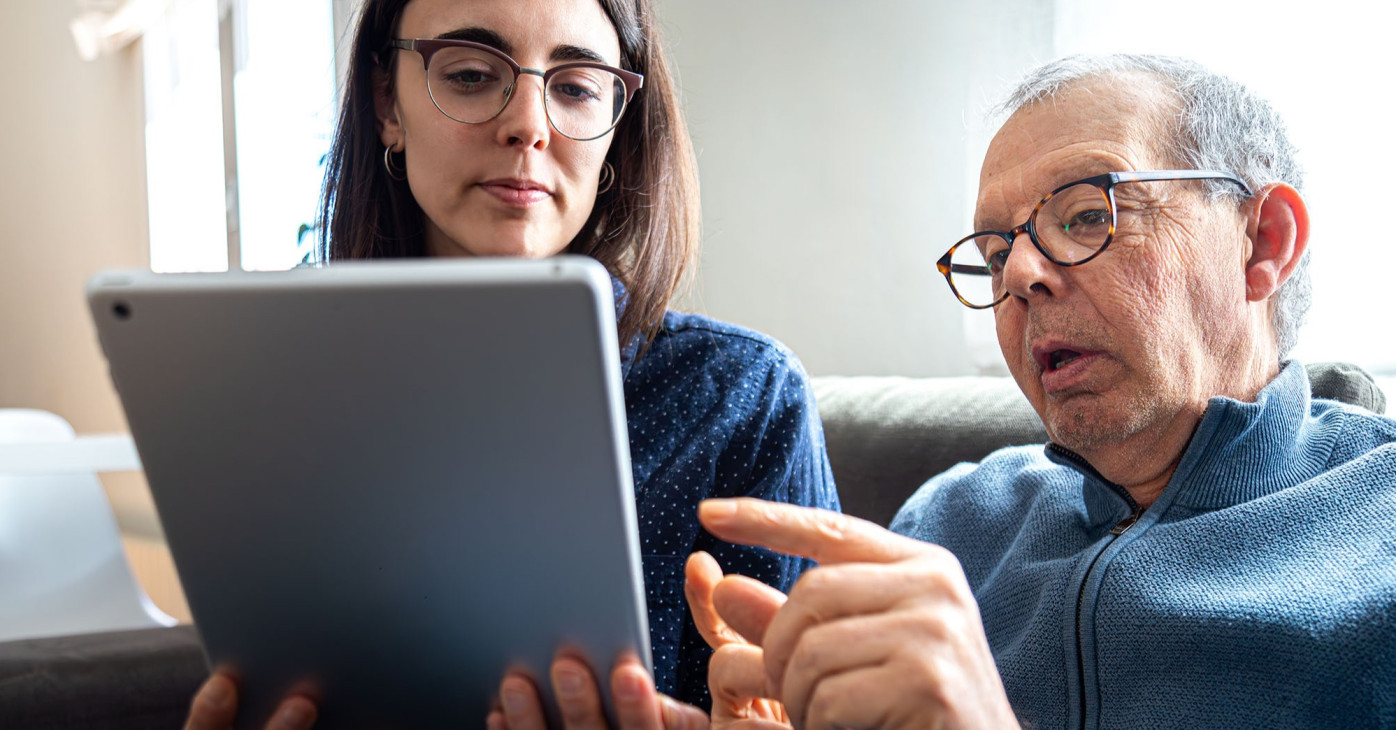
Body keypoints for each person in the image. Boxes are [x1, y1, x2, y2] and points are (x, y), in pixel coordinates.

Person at [497, 54, 1396, 729]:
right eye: (998, 251)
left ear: (1263, 241)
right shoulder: (945, 527)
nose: (1025, 276)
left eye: (1086, 213)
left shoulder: (1379, 529)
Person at [182, 0, 837, 727]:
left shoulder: (742, 399)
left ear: (616, 128)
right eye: (469, 74)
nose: (529, 123)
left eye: (577, 86)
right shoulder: (279, 389)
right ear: (385, 103)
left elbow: (793, 705)